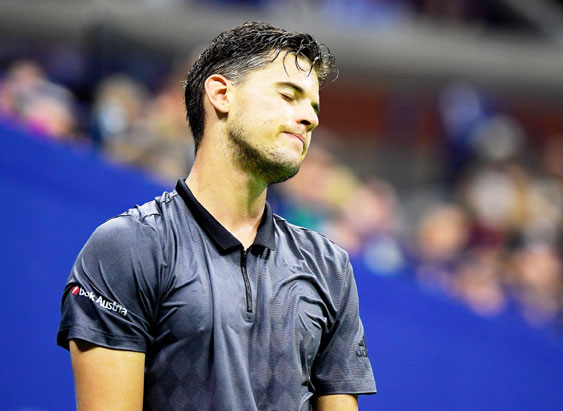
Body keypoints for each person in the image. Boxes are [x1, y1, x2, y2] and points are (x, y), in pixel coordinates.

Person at [57, 22, 376, 410]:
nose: (310, 118)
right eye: (289, 95)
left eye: (313, 106)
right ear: (222, 94)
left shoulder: (331, 267)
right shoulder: (127, 246)